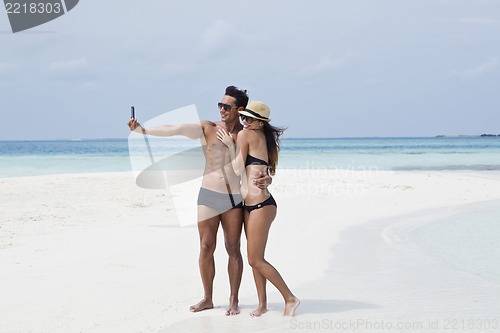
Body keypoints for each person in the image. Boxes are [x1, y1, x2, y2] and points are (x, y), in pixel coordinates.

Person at [127, 87, 271, 316]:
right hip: (208, 194)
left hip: (233, 198)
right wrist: (143, 130)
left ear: (240, 109)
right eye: (219, 105)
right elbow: (176, 129)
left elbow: (261, 164)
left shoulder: (246, 135)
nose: (221, 110)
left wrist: (266, 178)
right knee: (205, 246)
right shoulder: (209, 127)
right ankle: (208, 298)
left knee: (233, 248)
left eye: (226, 106)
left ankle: (233, 300)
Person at [217, 100, 300, 317]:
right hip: (256, 204)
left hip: (260, 206)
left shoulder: (245, 136)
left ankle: (290, 299)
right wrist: (268, 180)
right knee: (256, 257)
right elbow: (260, 171)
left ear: (259, 123)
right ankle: (262, 304)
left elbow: (237, 169)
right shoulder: (264, 138)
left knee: (255, 259)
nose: (244, 122)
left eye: (249, 119)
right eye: (243, 117)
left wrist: (229, 144)